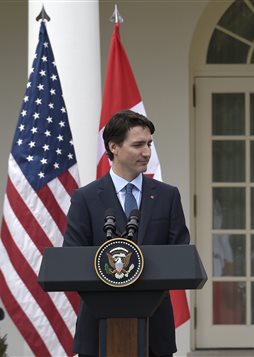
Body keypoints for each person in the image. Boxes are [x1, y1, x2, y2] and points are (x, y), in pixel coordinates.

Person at [63, 110, 190, 356]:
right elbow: (73, 258)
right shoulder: (86, 198)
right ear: (114, 147)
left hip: (155, 330)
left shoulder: (167, 196)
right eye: (138, 145)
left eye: (149, 144)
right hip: (98, 330)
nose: (147, 152)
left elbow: (180, 254)